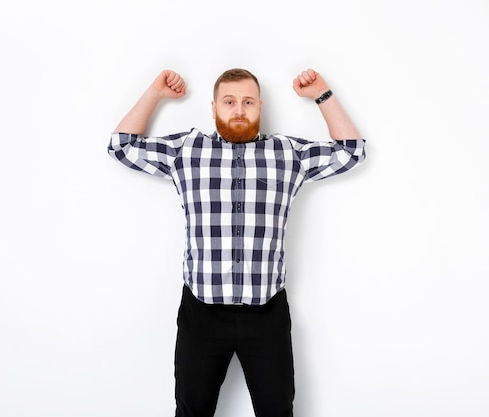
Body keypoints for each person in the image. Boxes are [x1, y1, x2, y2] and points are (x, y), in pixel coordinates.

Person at [107, 68, 366, 417]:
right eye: (229, 102)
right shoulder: (187, 150)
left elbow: (351, 152)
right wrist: (155, 91)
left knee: (277, 411)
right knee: (191, 411)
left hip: (267, 313)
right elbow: (121, 146)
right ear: (214, 108)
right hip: (202, 312)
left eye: (247, 101)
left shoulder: (288, 153)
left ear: (260, 106)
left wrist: (322, 93)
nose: (239, 110)